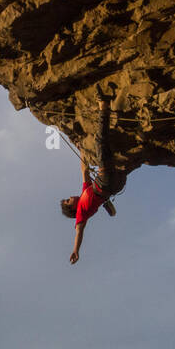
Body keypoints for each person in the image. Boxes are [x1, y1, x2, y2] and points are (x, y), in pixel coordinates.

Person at [62, 91, 129, 264]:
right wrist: (76, 250)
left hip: (115, 185)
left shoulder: (85, 193)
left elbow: (84, 171)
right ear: (72, 208)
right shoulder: (81, 214)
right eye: (69, 200)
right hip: (106, 183)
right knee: (100, 141)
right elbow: (79, 231)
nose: (71, 197)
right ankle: (104, 106)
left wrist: (82, 148)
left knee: (120, 153)